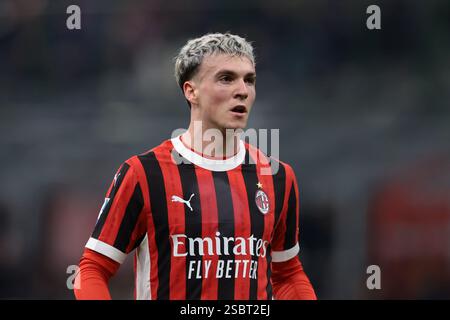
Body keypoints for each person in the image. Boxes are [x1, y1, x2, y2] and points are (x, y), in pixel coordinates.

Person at [74, 32, 316, 300]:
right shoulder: (144, 173)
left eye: (250, 80)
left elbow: (288, 274)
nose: (242, 90)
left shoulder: (278, 177)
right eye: (226, 78)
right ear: (191, 91)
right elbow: (93, 269)